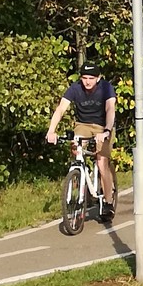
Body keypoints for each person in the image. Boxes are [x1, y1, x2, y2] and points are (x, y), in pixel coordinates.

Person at [46, 58, 117, 224]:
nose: (87, 81)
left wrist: (106, 130)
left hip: (102, 126)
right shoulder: (75, 88)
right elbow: (61, 109)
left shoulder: (106, 88)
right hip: (82, 125)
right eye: (84, 78)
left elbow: (110, 109)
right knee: (77, 150)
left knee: (101, 163)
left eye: (91, 78)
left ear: (98, 78)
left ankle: (107, 201)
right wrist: (51, 130)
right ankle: (79, 180)